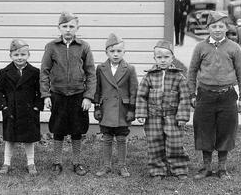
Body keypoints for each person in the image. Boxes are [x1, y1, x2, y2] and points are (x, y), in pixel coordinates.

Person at [188, 11, 241, 180]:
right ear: (208, 28)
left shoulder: (234, 47)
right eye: (214, 26)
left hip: (227, 95)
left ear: (227, 28)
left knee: (226, 130)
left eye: (221, 26)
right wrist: (191, 94)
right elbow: (192, 71)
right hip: (205, 96)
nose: (217, 30)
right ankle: (206, 167)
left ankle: (222, 168)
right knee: (203, 129)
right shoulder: (200, 47)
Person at [40, 12, 96, 176]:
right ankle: (57, 162)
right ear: (59, 28)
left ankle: (76, 162)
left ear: (77, 28)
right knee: (58, 128)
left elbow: (91, 73)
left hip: (78, 95)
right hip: (57, 94)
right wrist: (46, 95)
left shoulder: (84, 47)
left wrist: (88, 96)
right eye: (64, 26)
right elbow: (44, 72)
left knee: (77, 129)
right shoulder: (51, 47)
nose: (68, 29)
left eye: (71, 26)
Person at [135, 40, 191, 179]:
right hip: (153, 117)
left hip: (172, 117)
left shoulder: (179, 77)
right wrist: (141, 113)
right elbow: (141, 96)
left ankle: (179, 169)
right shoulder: (149, 76)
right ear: (155, 59)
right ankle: (157, 170)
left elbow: (184, 97)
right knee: (155, 143)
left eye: (166, 57)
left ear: (172, 57)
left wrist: (182, 116)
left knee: (175, 143)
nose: (163, 60)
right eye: (159, 57)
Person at [0, 39, 43, 175]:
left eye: (23, 54)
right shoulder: (5, 72)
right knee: (10, 138)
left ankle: (31, 163)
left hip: (29, 111)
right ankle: (6, 163)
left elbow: (41, 92)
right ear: (10, 56)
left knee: (29, 139)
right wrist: (3, 107)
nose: (19, 58)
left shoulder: (34, 72)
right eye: (16, 55)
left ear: (28, 55)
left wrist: (37, 107)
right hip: (11, 111)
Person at [93, 33, 138, 178]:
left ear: (124, 52)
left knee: (121, 138)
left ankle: (122, 166)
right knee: (106, 138)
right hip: (106, 109)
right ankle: (106, 166)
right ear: (106, 52)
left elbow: (133, 91)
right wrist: (97, 107)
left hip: (122, 110)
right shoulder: (100, 68)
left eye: (119, 51)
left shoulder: (129, 69)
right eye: (112, 51)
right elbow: (97, 89)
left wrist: (132, 109)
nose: (116, 54)